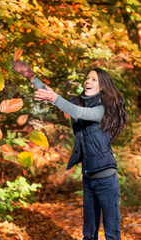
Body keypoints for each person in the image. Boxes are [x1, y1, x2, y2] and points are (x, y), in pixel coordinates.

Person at [12, 60, 128, 240]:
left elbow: (76, 112)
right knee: (88, 234)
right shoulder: (81, 102)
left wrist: (54, 98)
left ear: (103, 86)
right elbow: (56, 98)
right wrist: (32, 77)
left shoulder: (103, 109)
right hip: (88, 178)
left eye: (94, 79)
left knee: (112, 234)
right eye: (87, 78)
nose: (87, 81)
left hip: (106, 179)